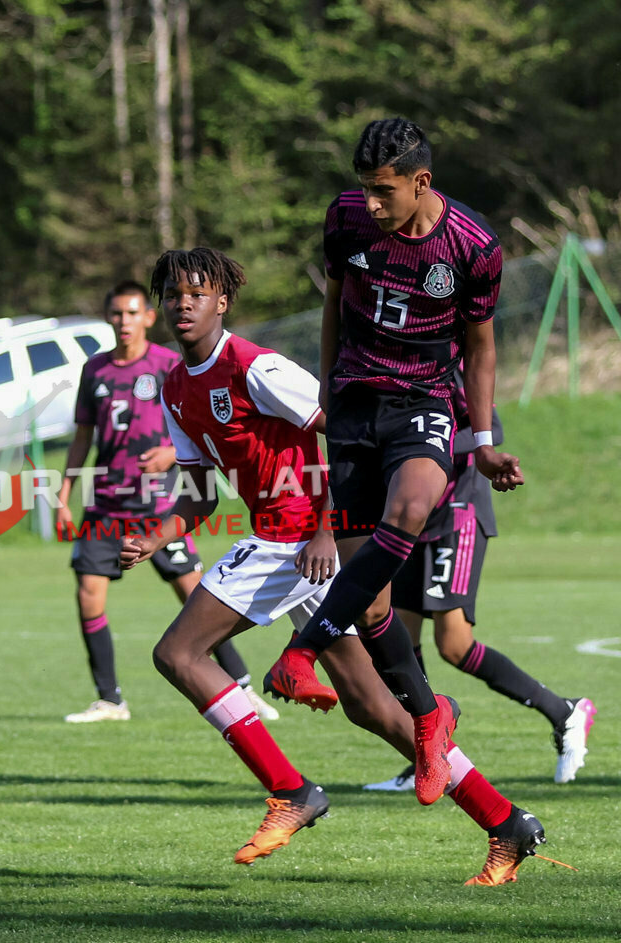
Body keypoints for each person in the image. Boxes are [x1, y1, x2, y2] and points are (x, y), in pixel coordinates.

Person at [121, 247, 565, 886]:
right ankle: (506, 822)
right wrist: (153, 536)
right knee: (373, 708)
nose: (182, 304)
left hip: (298, 538)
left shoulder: (258, 366)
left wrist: (332, 529)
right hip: (293, 545)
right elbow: (198, 497)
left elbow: (354, 433)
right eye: (173, 294)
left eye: (197, 293)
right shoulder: (175, 388)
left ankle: (291, 791)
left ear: (223, 302)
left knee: (178, 653)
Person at [264, 117, 524, 808]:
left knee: (410, 508)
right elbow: (332, 307)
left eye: (385, 191)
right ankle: (430, 716)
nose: (372, 203)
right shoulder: (345, 219)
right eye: (365, 189)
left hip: (424, 402)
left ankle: (304, 648)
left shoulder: (473, 247)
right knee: (373, 599)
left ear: (421, 182)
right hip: (354, 405)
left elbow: (482, 348)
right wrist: (326, 394)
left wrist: (480, 440)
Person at [56, 280, 278, 723]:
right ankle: (110, 700)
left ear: (148, 317)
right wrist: (64, 495)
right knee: (88, 596)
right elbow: (82, 436)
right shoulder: (94, 370)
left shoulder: (166, 365)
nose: (124, 321)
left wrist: (170, 453)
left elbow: (199, 424)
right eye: (117, 313)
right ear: (108, 318)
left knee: (196, 598)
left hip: (159, 505)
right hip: (105, 505)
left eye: (132, 313)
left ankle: (243, 687)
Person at [365, 397, 595, 791]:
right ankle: (425, 757)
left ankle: (563, 712)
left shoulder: (449, 371)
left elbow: (490, 431)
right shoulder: (390, 376)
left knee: (454, 645)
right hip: (413, 514)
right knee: (399, 638)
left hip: (456, 515)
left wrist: (417, 445)